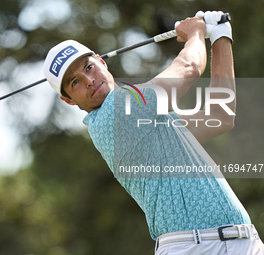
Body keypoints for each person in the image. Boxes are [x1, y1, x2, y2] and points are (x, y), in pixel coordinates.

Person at [42, 11, 264, 254]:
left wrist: (221, 35)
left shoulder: (144, 120)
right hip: (195, 247)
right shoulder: (117, 112)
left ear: (101, 62)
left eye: (88, 67)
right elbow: (189, 67)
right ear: (68, 100)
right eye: (74, 82)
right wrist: (197, 31)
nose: (88, 80)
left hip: (241, 242)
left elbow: (219, 117)